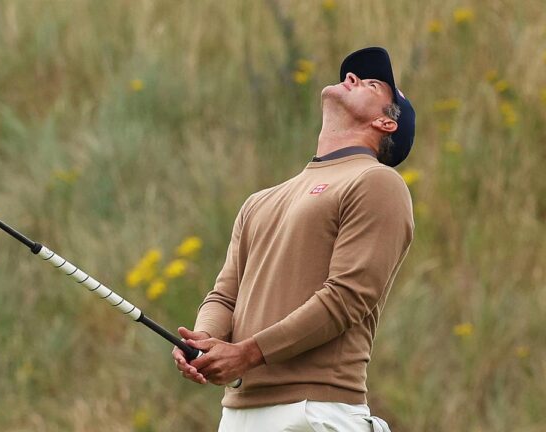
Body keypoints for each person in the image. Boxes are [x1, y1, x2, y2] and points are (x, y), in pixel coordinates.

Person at [172, 47, 416, 431]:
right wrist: (204, 338)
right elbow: (224, 297)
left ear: (386, 124)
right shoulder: (259, 201)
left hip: (315, 411)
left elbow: (347, 298)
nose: (349, 77)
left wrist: (248, 354)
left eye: (370, 83)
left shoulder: (377, 182)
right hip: (237, 415)